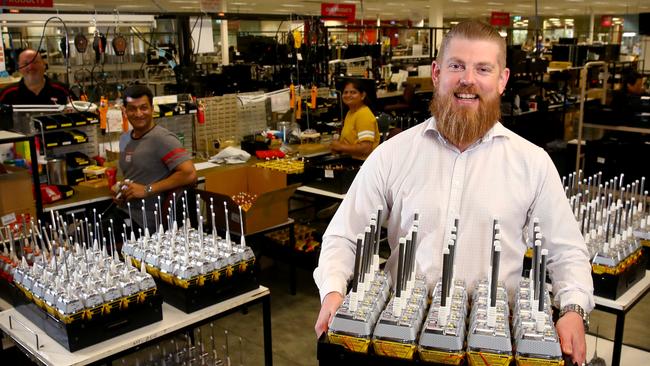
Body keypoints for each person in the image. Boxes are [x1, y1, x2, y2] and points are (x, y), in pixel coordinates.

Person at [314, 20, 593, 366]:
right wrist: (333, 291)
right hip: (400, 343)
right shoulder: (392, 155)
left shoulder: (532, 164)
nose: (467, 80)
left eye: (483, 69)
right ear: (436, 73)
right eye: (456, 66)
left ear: (502, 80)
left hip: (490, 349)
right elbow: (343, 235)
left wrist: (573, 309)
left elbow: (568, 252)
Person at [113, 84, 197, 233]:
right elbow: (133, 176)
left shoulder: (162, 139)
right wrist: (122, 192)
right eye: (132, 109)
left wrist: (147, 190)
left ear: (152, 109)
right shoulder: (125, 139)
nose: (139, 114)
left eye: (143, 108)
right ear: (125, 112)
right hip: (125, 212)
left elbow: (189, 174)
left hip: (145, 221)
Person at [329, 79, 380, 160]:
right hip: (351, 159)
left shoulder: (364, 115)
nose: (348, 95)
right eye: (345, 92)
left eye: (353, 92)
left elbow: (366, 148)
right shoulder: (350, 112)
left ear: (362, 95)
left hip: (362, 164)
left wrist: (340, 147)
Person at [0, 49, 69, 105]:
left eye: (35, 62)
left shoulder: (62, 90)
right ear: (19, 68)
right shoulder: (7, 94)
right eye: (26, 63)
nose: (30, 67)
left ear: (44, 65)